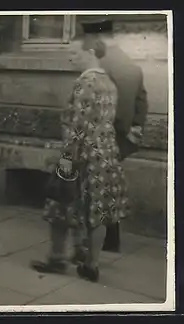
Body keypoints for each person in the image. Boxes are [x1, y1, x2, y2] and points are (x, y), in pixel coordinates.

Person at [30, 32, 129, 282]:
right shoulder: (109, 82)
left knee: (59, 204)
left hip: (81, 155)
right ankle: (90, 264)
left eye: (75, 53)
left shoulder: (85, 83)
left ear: (91, 53)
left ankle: (57, 259)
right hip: (106, 155)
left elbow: (77, 128)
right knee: (98, 212)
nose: (71, 58)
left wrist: (65, 161)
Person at [76, 19, 149, 253]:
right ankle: (111, 238)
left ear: (97, 40)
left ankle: (91, 245)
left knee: (92, 190)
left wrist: (114, 130)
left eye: (86, 41)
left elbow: (105, 107)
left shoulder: (99, 66)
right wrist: (133, 131)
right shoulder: (132, 65)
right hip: (123, 137)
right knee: (109, 187)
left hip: (104, 136)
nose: (85, 48)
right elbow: (141, 102)